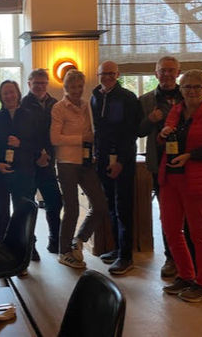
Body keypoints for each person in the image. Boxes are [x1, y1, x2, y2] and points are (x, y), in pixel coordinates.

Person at [158, 70, 202, 302]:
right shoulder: (176, 111)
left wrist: (191, 156)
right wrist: (163, 134)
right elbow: (165, 141)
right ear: (181, 89)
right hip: (171, 178)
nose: (192, 91)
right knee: (170, 229)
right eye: (187, 86)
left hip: (198, 180)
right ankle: (186, 275)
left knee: (198, 233)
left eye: (197, 86)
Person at [138, 56, 195, 278]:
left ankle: (190, 259)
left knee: (190, 214)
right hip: (160, 165)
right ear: (156, 73)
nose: (167, 74)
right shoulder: (145, 100)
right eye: (163, 70)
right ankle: (171, 258)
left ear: (178, 72)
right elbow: (138, 131)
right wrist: (151, 119)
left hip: (188, 163)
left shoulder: (190, 96)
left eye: (171, 70)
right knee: (167, 214)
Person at [51, 70, 108, 269]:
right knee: (72, 209)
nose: (76, 90)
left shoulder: (86, 105)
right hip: (66, 162)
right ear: (65, 88)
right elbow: (55, 138)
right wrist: (81, 139)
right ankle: (64, 251)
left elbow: (92, 132)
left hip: (86, 162)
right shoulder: (59, 108)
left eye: (79, 86)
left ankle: (79, 239)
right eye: (72, 87)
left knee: (100, 205)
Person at [91, 60, 142, 275]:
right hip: (103, 160)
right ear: (98, 75)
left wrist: (121, 161)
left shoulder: (128, 98)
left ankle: (126, 256)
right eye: (104, 73)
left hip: (123, 161)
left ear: (118, 75)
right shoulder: (95, 96)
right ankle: (117, 249)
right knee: (111, 206)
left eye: (111, 73)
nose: (107, 77)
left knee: (123, 208)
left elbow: (131, 133)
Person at [0, 80, 38, 250]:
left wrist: (20, 144)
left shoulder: (30, 116)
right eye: (5, 93)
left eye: (11, 92)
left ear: (18, 93)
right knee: (1, 213)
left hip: (23, 171)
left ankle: (26, 248)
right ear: (1, 97)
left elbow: (37, 145)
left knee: (22, 212)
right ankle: (2, 249)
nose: (9, 96)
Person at [21, 69, 63, 258]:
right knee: (29, 206)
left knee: (55, 201)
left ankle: (55, 241)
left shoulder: (55, 104)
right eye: (36, 83)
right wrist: (38, 154)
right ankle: (30, 245)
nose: (40, 86)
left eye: (43, 83)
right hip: (29, 163)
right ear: (29, 84)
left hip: (48, 163)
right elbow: (25, 135)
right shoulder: (23, 104)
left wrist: (48, 155)